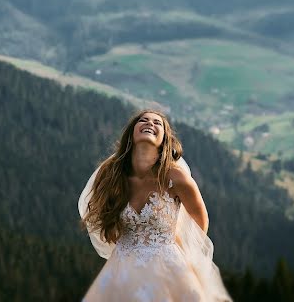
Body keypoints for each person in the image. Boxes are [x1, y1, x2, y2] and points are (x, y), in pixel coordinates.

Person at [78, 109, 232, 301]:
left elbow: (200, 220)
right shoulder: (111, 175)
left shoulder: (176, 177)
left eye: (157, 122)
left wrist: (182, 250)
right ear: (132, 133)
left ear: (164, 139)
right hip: (123, 267)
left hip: (168, 267)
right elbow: (100, 213)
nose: (150, 123)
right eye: (143, 120)